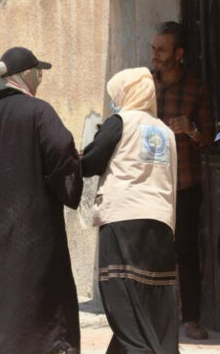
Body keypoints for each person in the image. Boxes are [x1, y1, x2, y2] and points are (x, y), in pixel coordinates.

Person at [0, 47, 83, 354]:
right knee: (38, 303)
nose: (41, 79)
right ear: (27, 76)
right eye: (38, 73)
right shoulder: (40, 112)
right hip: (34, 234)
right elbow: (62, 154)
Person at [81, 67, 179, 354]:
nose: (115, 101)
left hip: (123, 221)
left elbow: (90, 162)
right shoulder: (165, 131)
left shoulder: (120, 123)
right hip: (160, 224)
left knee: (122, 301)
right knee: (151, 302)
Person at [150, 21, 214, 340]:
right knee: (152, 252)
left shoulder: (197, 88)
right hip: (149, 184)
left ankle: (191, 318)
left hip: (185, 184)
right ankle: (154, 318)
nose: (155, 55)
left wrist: (188, 128)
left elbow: (208, 139)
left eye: (161, 49)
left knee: (187, 252)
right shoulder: (144, 86)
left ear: (179, 53)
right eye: (153, 48)